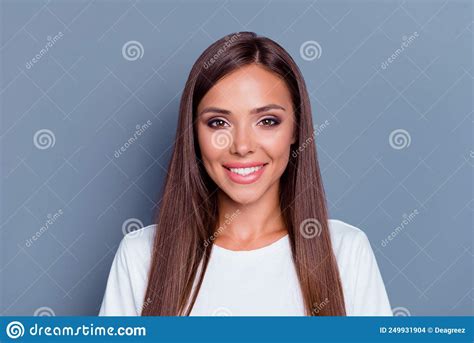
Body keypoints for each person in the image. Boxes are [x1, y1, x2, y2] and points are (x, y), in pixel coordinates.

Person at [98, 32, 392, 316]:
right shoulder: (141, 256)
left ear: (296, 129)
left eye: (267, 121)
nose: (241, 146)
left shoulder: (345, 251)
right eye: (218, 123)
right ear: (194, 134)